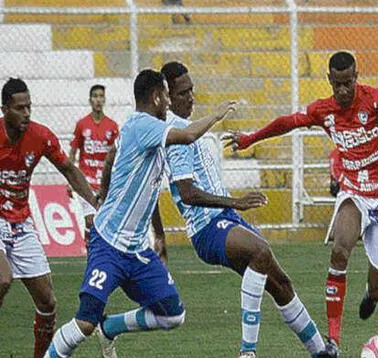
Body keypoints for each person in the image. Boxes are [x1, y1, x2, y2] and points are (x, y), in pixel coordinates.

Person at [224, 51, 378, 346]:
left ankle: (371, 293)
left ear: (356, 78)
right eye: (337, 84)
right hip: (355, 193)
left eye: (348, 84)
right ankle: (333, 342)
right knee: (340, 250)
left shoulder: (376, 99)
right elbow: (287, 122)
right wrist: (250, 138)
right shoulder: (323, 110)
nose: (342, 91)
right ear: (329, 80)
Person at [45, 69, 237, 358]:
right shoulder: (145, 124)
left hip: (136, 250)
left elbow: (112, 160)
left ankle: (110, 327)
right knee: (84, 322)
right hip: (109, 245)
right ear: (157, 96)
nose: (169, 103)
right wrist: (217, 115)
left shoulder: (138, 129)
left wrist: (111, 200)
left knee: (173, 315)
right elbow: (187, 135)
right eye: (166, 97)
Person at [154, 61, 337, 358]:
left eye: (192, 90)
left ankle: (322, 352)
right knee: (260, 253)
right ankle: (247, 353)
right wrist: (235, 202)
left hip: (225, 219)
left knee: (281, 283)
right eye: (183, 93)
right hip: (206, 228)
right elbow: (187, 194)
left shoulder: (190, 129)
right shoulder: (176, 134)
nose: (191, 97)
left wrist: (232, 208)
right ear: (167, 97)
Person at [0, 78, 97, 358]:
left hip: (21, 222)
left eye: (29, 106)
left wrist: (94, 205)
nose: (27, 113)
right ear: (5, 109)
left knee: (47, 302)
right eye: (20, 108)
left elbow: (68, 169)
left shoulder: (40, 136)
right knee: (3, 279)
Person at [68, 84, 119, 240]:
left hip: (104, 182)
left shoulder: (112, 126)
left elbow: (116, 155)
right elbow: (73, 152)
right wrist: (70, 180)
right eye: (95, 96)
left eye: (101, 96)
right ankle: (91, 257)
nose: (98, 100)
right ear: (90, 100)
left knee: (105, 223)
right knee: (90, 221)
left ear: (104, 99)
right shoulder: (82, 124)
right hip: (87, 182)